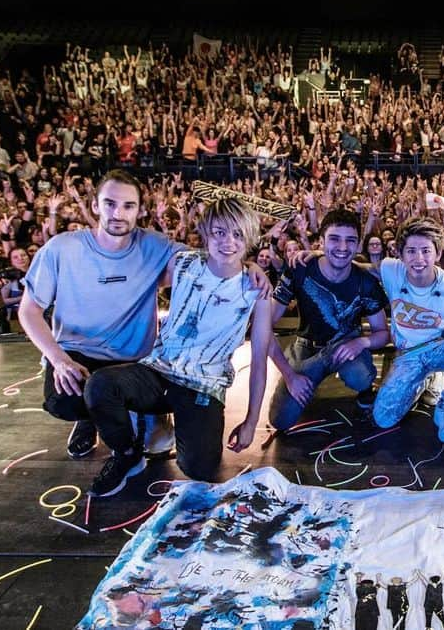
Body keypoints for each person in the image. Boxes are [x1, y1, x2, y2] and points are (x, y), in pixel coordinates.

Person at [83, 197, 273, 496]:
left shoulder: (257, 289)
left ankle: (163, 422)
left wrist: (251, 420)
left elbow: (260, 360)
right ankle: (127, 453)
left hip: (203, 384)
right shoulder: (183, 262)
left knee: (200, 469)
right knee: (101, 385)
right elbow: (134, 278)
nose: (228, 242)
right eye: (220, 232)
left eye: (238, 234)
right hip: (158, 370)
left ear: (249, 239)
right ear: (206, 232)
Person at [19, 170, 182, 459]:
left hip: (134, 360)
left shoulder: (155, 246)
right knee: (63, 401)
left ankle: (141, 412)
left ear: (140, 210)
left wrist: (250, 267)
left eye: (128, 206)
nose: (118, 213)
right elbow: (29, 310)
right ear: (95, 205)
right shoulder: (62, 248)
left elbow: (209, 263)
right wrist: (59, 360)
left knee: (159, 437)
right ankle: (90, 417)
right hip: (78, 354)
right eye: (110, 203)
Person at [267, 209, 390, 431]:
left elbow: (382, 333)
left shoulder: (366, 283)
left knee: (361, 376)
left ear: (357, 244)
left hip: (346, 344)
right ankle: (308, 377)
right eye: (334, 239)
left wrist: (361, 342)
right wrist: (289, 375)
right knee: (280, 420)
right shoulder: (300, 270)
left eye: (350, 241)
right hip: (307, 347)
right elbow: (264, 327)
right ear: (321, 241)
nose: (343, 248)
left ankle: (364, 392)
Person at [374, 217, 444, 443]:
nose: (419, 259)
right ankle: (426, 379)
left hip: (441, 347)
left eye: (426, 251)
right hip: (409, 355)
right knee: (384, 418)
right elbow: (360, 268)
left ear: (438, 253)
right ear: (401, 253)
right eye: (411, 251)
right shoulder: (389, 269)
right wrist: (318, 255)